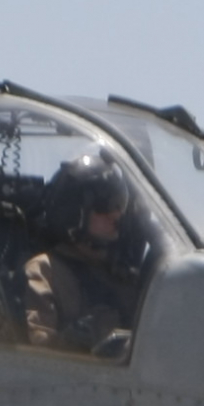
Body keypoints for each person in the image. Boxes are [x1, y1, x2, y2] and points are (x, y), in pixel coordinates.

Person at [17, 148, 152, 356]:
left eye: (119, 204)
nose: (116, 214)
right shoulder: (45, 270)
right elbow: (37, 351)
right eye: (105, 205)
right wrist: (71, 341)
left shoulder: (120, 273)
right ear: (74, 213)